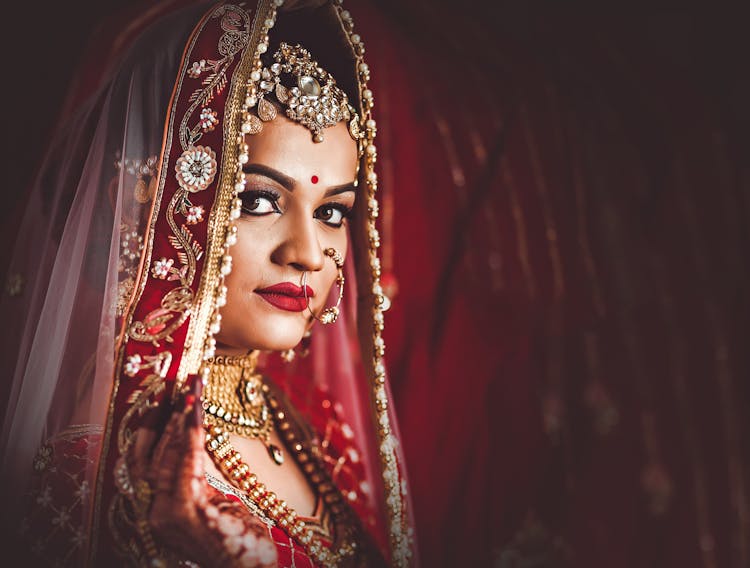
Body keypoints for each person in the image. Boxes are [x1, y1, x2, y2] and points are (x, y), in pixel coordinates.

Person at [0, 1, 415, 566]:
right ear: (163, 205)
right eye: (258, 201)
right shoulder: (97, 471)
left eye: (332, 212)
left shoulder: (314, 426)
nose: (307, 253)